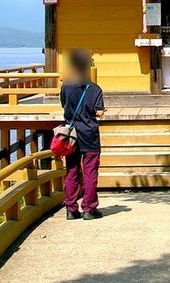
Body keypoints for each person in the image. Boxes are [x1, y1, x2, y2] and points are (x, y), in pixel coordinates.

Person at [59, 47, 106, 220]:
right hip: (89, 133)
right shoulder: (94, 89)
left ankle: (71, 208)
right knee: (90, 171)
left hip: (71, 134)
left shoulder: (66, 87)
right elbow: (98, 112)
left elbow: (64, 106)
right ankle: (89, 208)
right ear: (88, 66)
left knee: (71, 170)